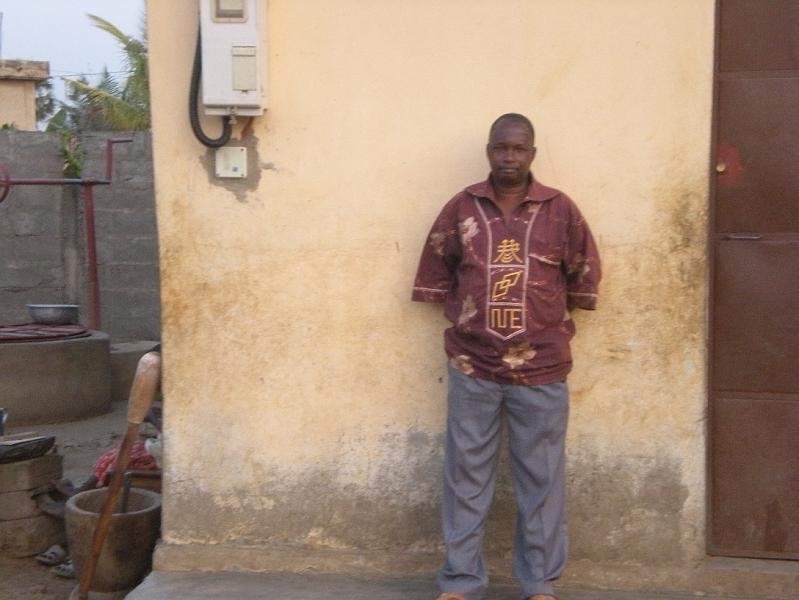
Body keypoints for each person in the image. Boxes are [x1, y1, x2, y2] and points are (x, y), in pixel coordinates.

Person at [412, 113, 601, 600]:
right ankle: (460, 581)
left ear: (532, 154)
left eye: (519, 149)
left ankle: (539, 584)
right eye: (501, 149)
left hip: (542, 368)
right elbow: (437, 264)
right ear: (489, 151)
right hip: (473, 366)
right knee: (465, 475)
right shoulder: (462, 207)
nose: (509, 158)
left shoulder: (561, 210)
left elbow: (583, 272)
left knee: (541, 479)